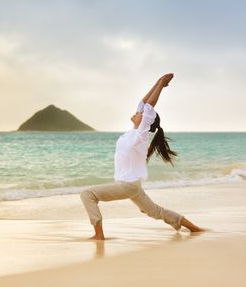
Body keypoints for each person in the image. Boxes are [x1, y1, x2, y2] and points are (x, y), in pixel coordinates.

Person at [80, 73, 204, 240]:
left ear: (147, 121)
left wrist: (161, 85)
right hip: (132, 186)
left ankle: (98, 234)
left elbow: (148, 108)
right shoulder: (131, 133)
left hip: (127, 185)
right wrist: (156, 83)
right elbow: (143, 104)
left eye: (141, 114)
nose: (136, 112)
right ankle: (194, 228)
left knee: (88, 194)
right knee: (154, 212)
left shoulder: (141, 136)